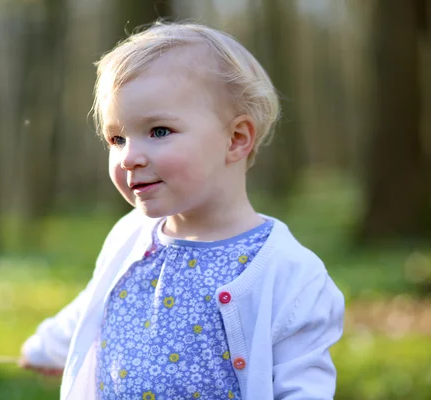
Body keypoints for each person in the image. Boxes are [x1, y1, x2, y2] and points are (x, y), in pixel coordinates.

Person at [19, 21, 345, 400]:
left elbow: (304, 385)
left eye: (158, 131)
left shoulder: (290, 274)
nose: (129, 157)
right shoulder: (130, 235)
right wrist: (46, 346)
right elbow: (96, 303)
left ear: (236, 139)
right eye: (117, 138)